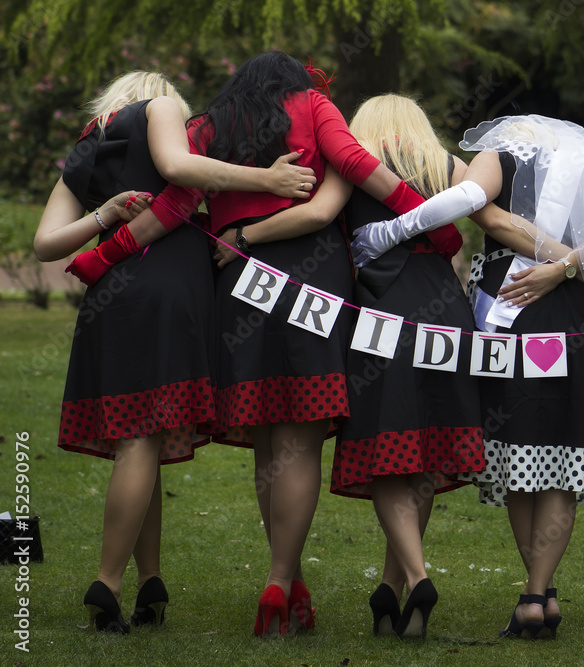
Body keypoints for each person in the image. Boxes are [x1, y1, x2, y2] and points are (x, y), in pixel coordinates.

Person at [64, 52, 454, 637]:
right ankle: (278, 580)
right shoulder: (315, 106)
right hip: (313, 280)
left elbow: (174, 204)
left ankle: (288, 584)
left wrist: (101, 257)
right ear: (298, 84)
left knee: (268, 445)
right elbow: (352, 161)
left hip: (238, 285)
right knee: (297, 444)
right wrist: (428, 218)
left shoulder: (209, 124)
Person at [351, 114, 584, 639]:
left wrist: (391, 230)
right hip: (574, 319)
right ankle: (538, 593)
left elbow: (477, 206)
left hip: (509, 308)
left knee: (521, 460)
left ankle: (539, 599)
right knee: (561, 461)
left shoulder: (502, 152)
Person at [34, 70, 316, 634]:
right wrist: (269, 179)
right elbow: (179, 170)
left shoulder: (86, 147)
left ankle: (151, 581)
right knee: (142, 439)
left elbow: (46, 245)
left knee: (138, 441)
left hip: (109, 295)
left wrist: (105, 215)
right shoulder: (159, 106)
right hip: (166, 290)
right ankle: (108, 582)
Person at [327, 94, 483, 639]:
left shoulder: (351, 166)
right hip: (446, 311)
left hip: (382, 314)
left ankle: (417, 577)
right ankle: (393, 596)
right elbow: (486, 202)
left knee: (388, 451)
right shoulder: (444, 165)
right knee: (422, 452)